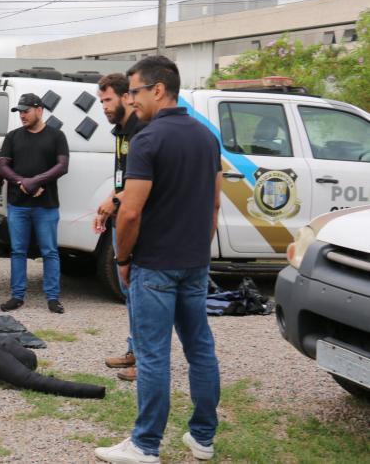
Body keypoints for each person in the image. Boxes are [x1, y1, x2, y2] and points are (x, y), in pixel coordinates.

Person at [95, 56, 222, 464]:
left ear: (158, 90)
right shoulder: (206, 137)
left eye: (134, 91)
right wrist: (200, 248)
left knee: (152, 355)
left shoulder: (147, 140)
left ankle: (145, 444)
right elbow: (216, 203)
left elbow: (130, 211)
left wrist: (123, 257)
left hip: (155, 264)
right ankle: (203, 438)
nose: (131, 100)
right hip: (194, 262)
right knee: (200, 349)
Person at [92, 73, 145, 382]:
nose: (104, 106)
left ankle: (146, 360)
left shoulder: (143, 130)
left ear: (127, 97)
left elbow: (146, 182)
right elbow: (123, 178)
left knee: (140, 291)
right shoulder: (121, 131)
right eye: (101, 101)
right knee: (129, 291)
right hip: (120, 213)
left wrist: (117, 200)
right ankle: (134, 349)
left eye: (108, 99)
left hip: (137, 218)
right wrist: (109, 204)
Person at [0, 93, 70, 313]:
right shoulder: (12, 137)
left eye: (26, 111)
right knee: (18, 251)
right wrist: (22, 182)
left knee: (49, 251)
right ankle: (17, 296)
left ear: (40, 110)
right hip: (18, 205)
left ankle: (53, 297)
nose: (22, 115)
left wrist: (37, 181)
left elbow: (62, 166)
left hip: (46, 205)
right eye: (19, 111)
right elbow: (2, 166)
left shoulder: (56, 136)